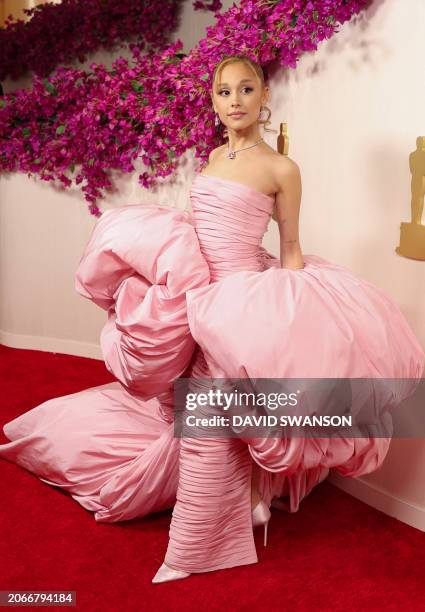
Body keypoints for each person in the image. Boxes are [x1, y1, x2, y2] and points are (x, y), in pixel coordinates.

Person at [0, 55, 424, 585]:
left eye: (246, 90)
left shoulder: (281, 168)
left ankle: (195, 549)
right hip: (200, 297)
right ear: (214, 101)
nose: (235, 101)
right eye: (224, 92)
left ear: (264, 96)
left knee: (209, 424)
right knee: (204, 417)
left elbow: (290, 248)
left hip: (240, 303)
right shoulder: (214, 156)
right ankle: (249, 500)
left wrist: (289, 318)